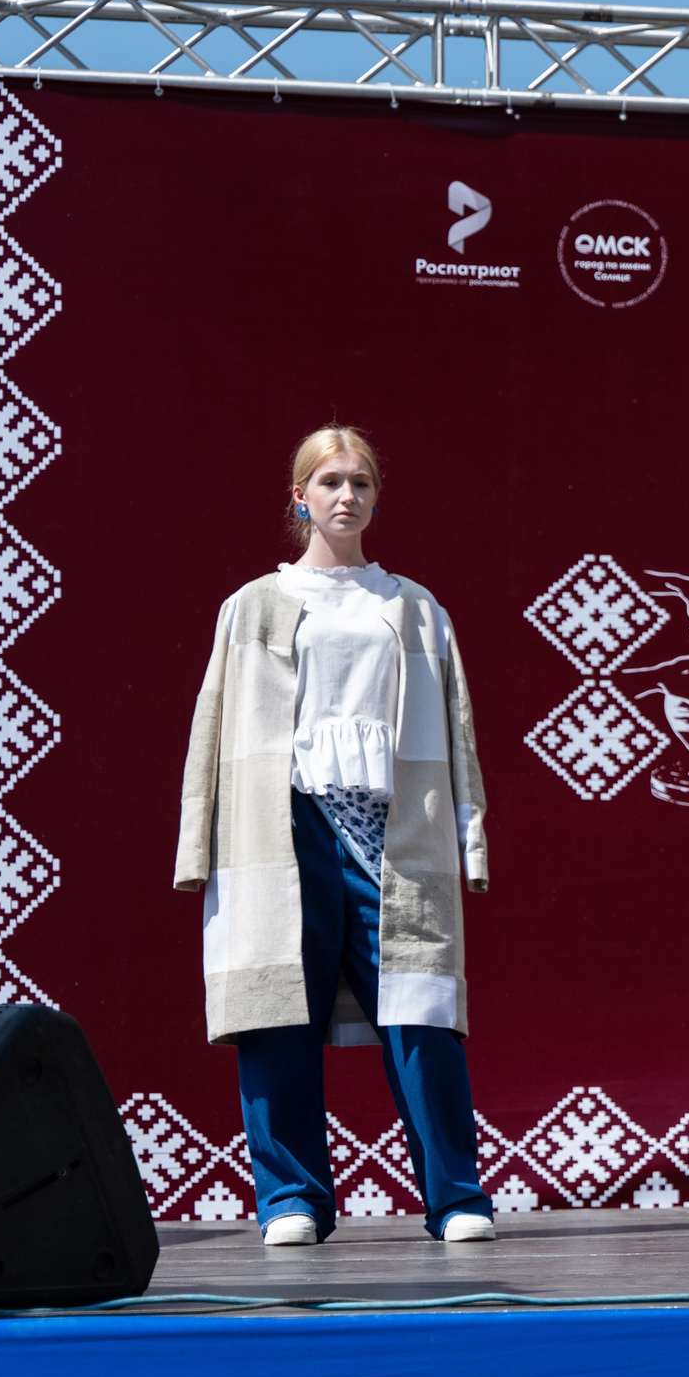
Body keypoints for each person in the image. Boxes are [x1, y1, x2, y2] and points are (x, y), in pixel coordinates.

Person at [174, 426, 496, 1246]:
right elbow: (213, 730)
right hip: (285, 823)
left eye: (359, 482)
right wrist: (196, 847)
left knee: (420, 1009)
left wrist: (471, 838)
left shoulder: (414, 605)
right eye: (328, 482)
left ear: (376, 496)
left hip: (392, 826)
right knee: (276, 1009)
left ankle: (456, 1195)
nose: (345, 495)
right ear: (300, 497)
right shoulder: (251, 605)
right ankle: (292, 1198)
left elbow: (456, 731)